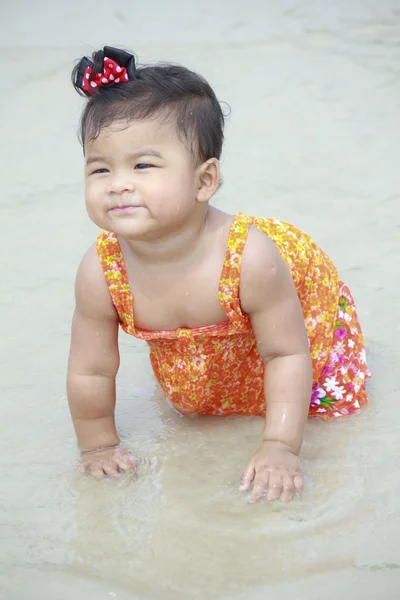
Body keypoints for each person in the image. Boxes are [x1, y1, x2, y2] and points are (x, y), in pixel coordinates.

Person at [67, 46, 371, 503]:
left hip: (298, 317)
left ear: (204, 181)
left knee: (330, 414)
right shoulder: (102, 270)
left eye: (143, 165)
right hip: (224, 330)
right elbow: (90, 370)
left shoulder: (250, 258)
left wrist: (280, 445)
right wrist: (98, 446)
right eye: (100, 168)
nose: (118, 183)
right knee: (197, 407)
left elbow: (288, 354)